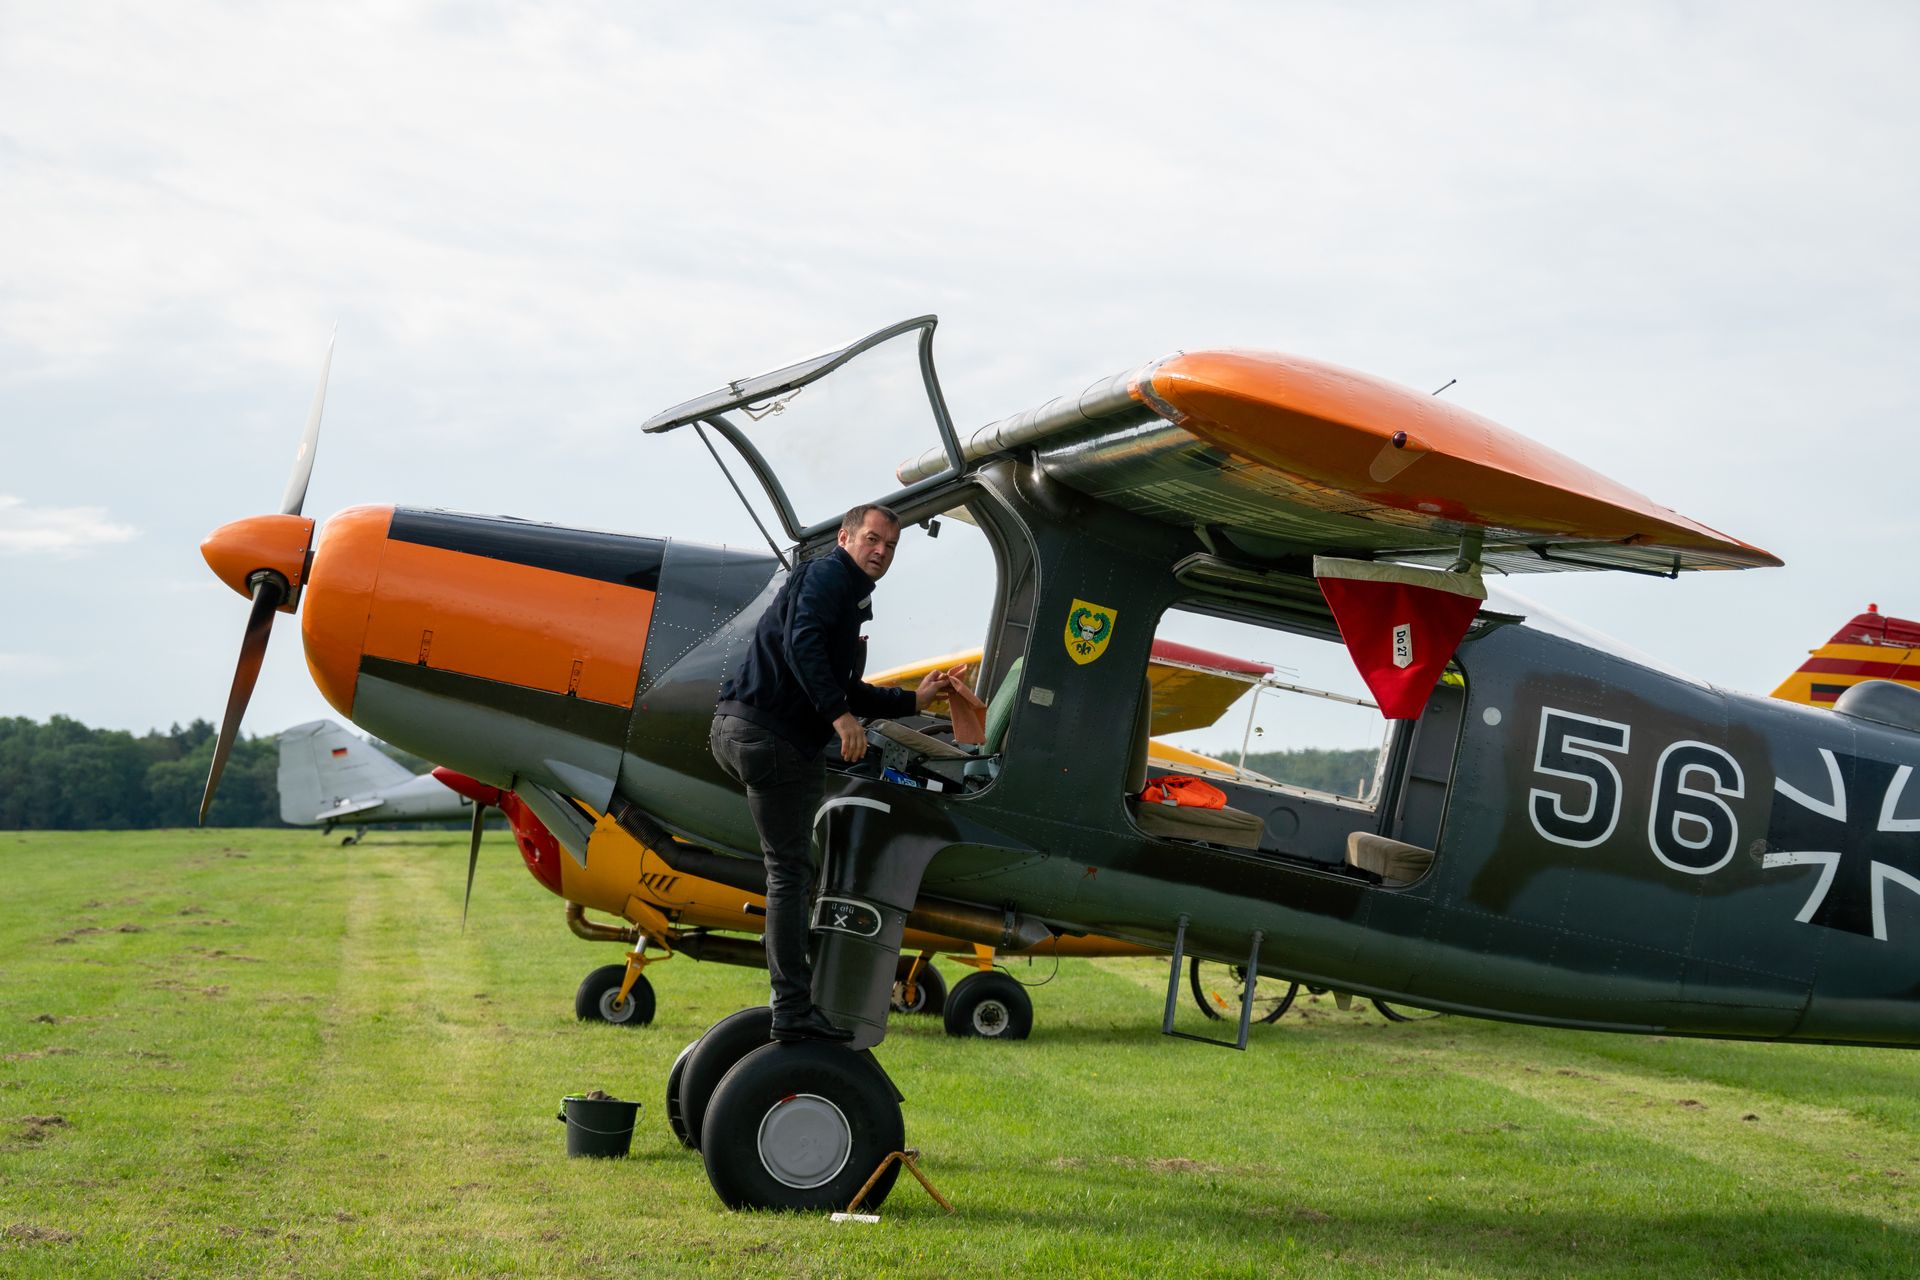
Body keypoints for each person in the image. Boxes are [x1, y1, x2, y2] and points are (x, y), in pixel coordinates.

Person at [709, 503, 952, 1043]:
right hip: (771, 737)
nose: (881, 551)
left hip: (742, 729)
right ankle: (793, 1011)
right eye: (872, 539)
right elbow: (804, 646)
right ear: (845, 536)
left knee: (792, 871)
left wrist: (916, 698)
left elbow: (845, 683)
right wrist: (840, 719)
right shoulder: (826, 576)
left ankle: (796, 999)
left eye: (890, 546)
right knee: (791, 875)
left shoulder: (844, 592)